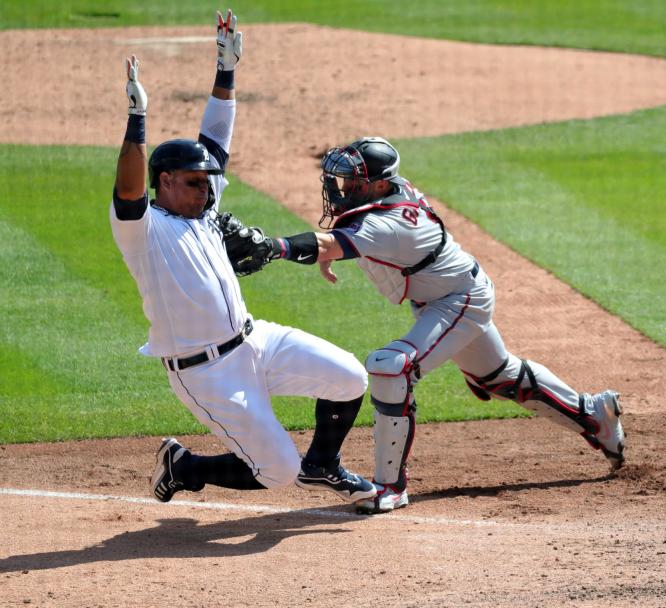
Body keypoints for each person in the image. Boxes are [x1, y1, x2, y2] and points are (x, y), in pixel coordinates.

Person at [250, 136, 626, 513]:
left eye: (351, 181)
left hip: (459, 301)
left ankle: (389, 487)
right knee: (498, 376)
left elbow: (330, 243)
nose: (340, 188)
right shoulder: (388, 194)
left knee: (392, 368)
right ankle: (595, 413)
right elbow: (345, 240)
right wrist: (330, 249)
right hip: (448, 298)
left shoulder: (389, 223)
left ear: (379, 184)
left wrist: (270, 246)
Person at [110, 11, 375, 505]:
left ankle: (323, 467)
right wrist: (137, 120)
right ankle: (185, 466)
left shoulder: (205, 211)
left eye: (209, 182)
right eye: (194, 182)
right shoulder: (143, 229)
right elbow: (126, 188)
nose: (207, 191)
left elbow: (215, 137)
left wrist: (226, 70)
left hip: (256, 341)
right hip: (204, 373)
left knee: (349, 376)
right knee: (277, 472)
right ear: (164, 181)